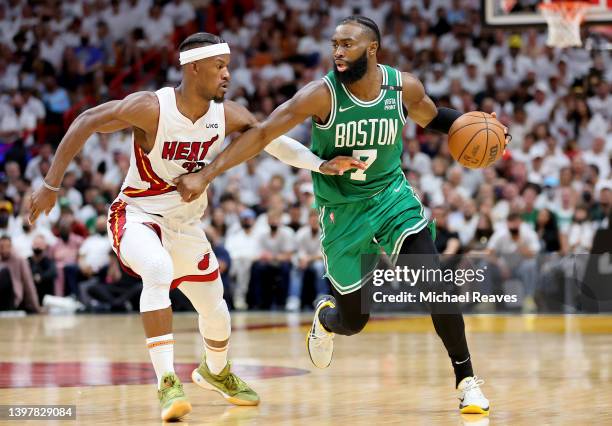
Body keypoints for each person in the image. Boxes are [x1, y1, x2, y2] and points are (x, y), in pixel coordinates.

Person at [172, 17, 513, 415]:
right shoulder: (321, 95)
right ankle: (328, 320)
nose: (338, 51)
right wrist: (207, 174)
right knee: (354, 320)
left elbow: (434, 117)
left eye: (347, 44)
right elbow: (262, 133)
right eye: (335, 44)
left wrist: (487, 128)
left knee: (434, 283)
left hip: (390, 198)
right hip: (341, 212)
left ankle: (467, 381)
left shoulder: (402, 86)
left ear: (372, 49)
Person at [29, 32, 363, 421]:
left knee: (217, 309)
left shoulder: (226, 115)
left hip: (185, 224)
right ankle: (167, 382)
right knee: (156, 269)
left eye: (228, 66)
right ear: (194, 68)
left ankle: (216, 372)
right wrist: (51, 184)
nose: (227, 75)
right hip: (137, 213)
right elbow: (87, 120)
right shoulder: (151, 108)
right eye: (220, 67)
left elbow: (268, 139)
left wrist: (320, 165)